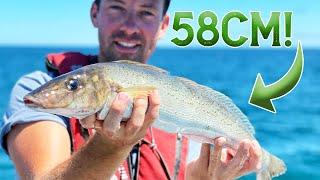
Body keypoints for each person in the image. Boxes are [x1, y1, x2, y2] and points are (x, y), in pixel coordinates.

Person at [0, 0, 262, 179]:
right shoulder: (34, 87)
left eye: (146, 12)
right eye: (116, 7)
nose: (129, 26)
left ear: (163, 25)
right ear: (95, 13)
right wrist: (111, 145)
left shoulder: (182, 105)